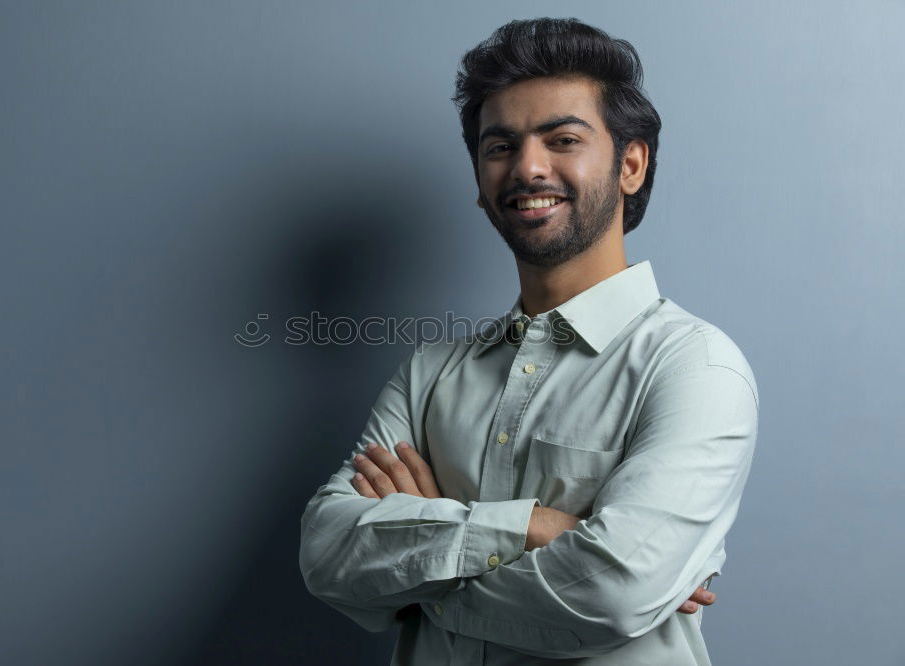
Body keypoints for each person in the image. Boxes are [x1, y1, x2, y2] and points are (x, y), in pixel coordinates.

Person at [298, 17, 759, 666]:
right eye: (499, 146)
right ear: (481, 186)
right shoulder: (429, 374)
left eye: (562, 138)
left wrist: (423, 573)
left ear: (630, 164)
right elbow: (326, 554)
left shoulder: (694, 368)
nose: (528, 167)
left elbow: (614, 591)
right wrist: (537, 527)